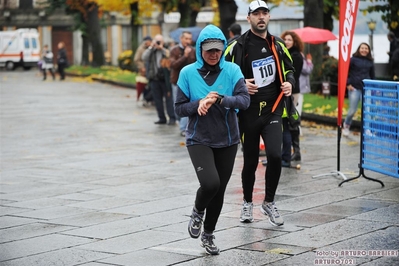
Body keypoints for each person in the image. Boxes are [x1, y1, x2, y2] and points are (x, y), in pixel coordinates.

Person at [175, 24, 250, 255]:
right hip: (199, 139)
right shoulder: (187, 73)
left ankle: (208, 234)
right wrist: (199, 103)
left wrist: (218, 99)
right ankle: (197, 211)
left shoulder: (233, 71)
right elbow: (179, 109)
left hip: (227, 139)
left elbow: (244, 101)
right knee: (210, 184)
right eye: (209, 50)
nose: (214, 54)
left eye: (218, 49)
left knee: (219, 191)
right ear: (200, 49)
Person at [224, 0, 294, 226]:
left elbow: (290, 70)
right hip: (248, 113)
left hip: (273, 111)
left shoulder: (278, 44)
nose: (261, 17)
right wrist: (242, 84)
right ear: (249, 18)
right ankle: (247, 203)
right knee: (251, 160)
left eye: (265, 13)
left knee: (275, 155)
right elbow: (222, 75)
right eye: (256, 14)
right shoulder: (236, 45)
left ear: (269, 17)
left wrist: (289, 84)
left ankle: (269, 202)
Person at [280, 31, 303, 165]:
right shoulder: (283, 53)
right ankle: (294, 152)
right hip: (285, 91)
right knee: (288, 123)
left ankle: (294, 152)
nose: (287, 42)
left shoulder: (296, 56)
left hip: (292, 91)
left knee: (290, 121)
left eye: (289, 40)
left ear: (294, 42)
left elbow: (294, 74)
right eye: (285, 39)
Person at [142, 34, 176, 125]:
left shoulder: (167, 49)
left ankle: (172, 118)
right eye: (156, 41)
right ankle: (162, 118)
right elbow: (143, 58)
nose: (157, 43)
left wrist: (162, 49)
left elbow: (170, 57)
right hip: (154, 79)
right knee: (157, 100)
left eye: (159, 41)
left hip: (165, 80)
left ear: (163, 42)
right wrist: (151, 47)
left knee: (169, 100)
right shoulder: (151, 51)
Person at [343, 42, 375, 137]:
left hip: (367, 88)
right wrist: (348, 84)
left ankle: (367, 130)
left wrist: (374, 86)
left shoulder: (370, 62)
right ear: (359, 49)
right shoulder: (353, 60)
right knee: (352, 110)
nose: (364, 50)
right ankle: (346, 126)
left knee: (367, 110)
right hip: (354, 88)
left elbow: (372, 75)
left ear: (368, 51)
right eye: (362, 48)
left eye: (366, 48)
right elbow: (345, 72)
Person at [169, 31, 196, 136]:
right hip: (177, 81)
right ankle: (182, 123)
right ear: (181, 38)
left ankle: (184, 128)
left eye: (190, 39)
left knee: (187, 104)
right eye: (186, 38)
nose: (188, 41)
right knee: (177, 104)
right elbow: (173, 65)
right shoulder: (174, 50)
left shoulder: (193, 50)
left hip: (190, 82)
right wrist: (184, 56)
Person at [134, 36, 152, 102]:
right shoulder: (141, 49)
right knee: (145, 85)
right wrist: (142, 67)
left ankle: (150, 99)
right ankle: (145, 98)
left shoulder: (152, 47)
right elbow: (136, 59)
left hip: (151, 70)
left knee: (151, 86)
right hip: (144, 71)